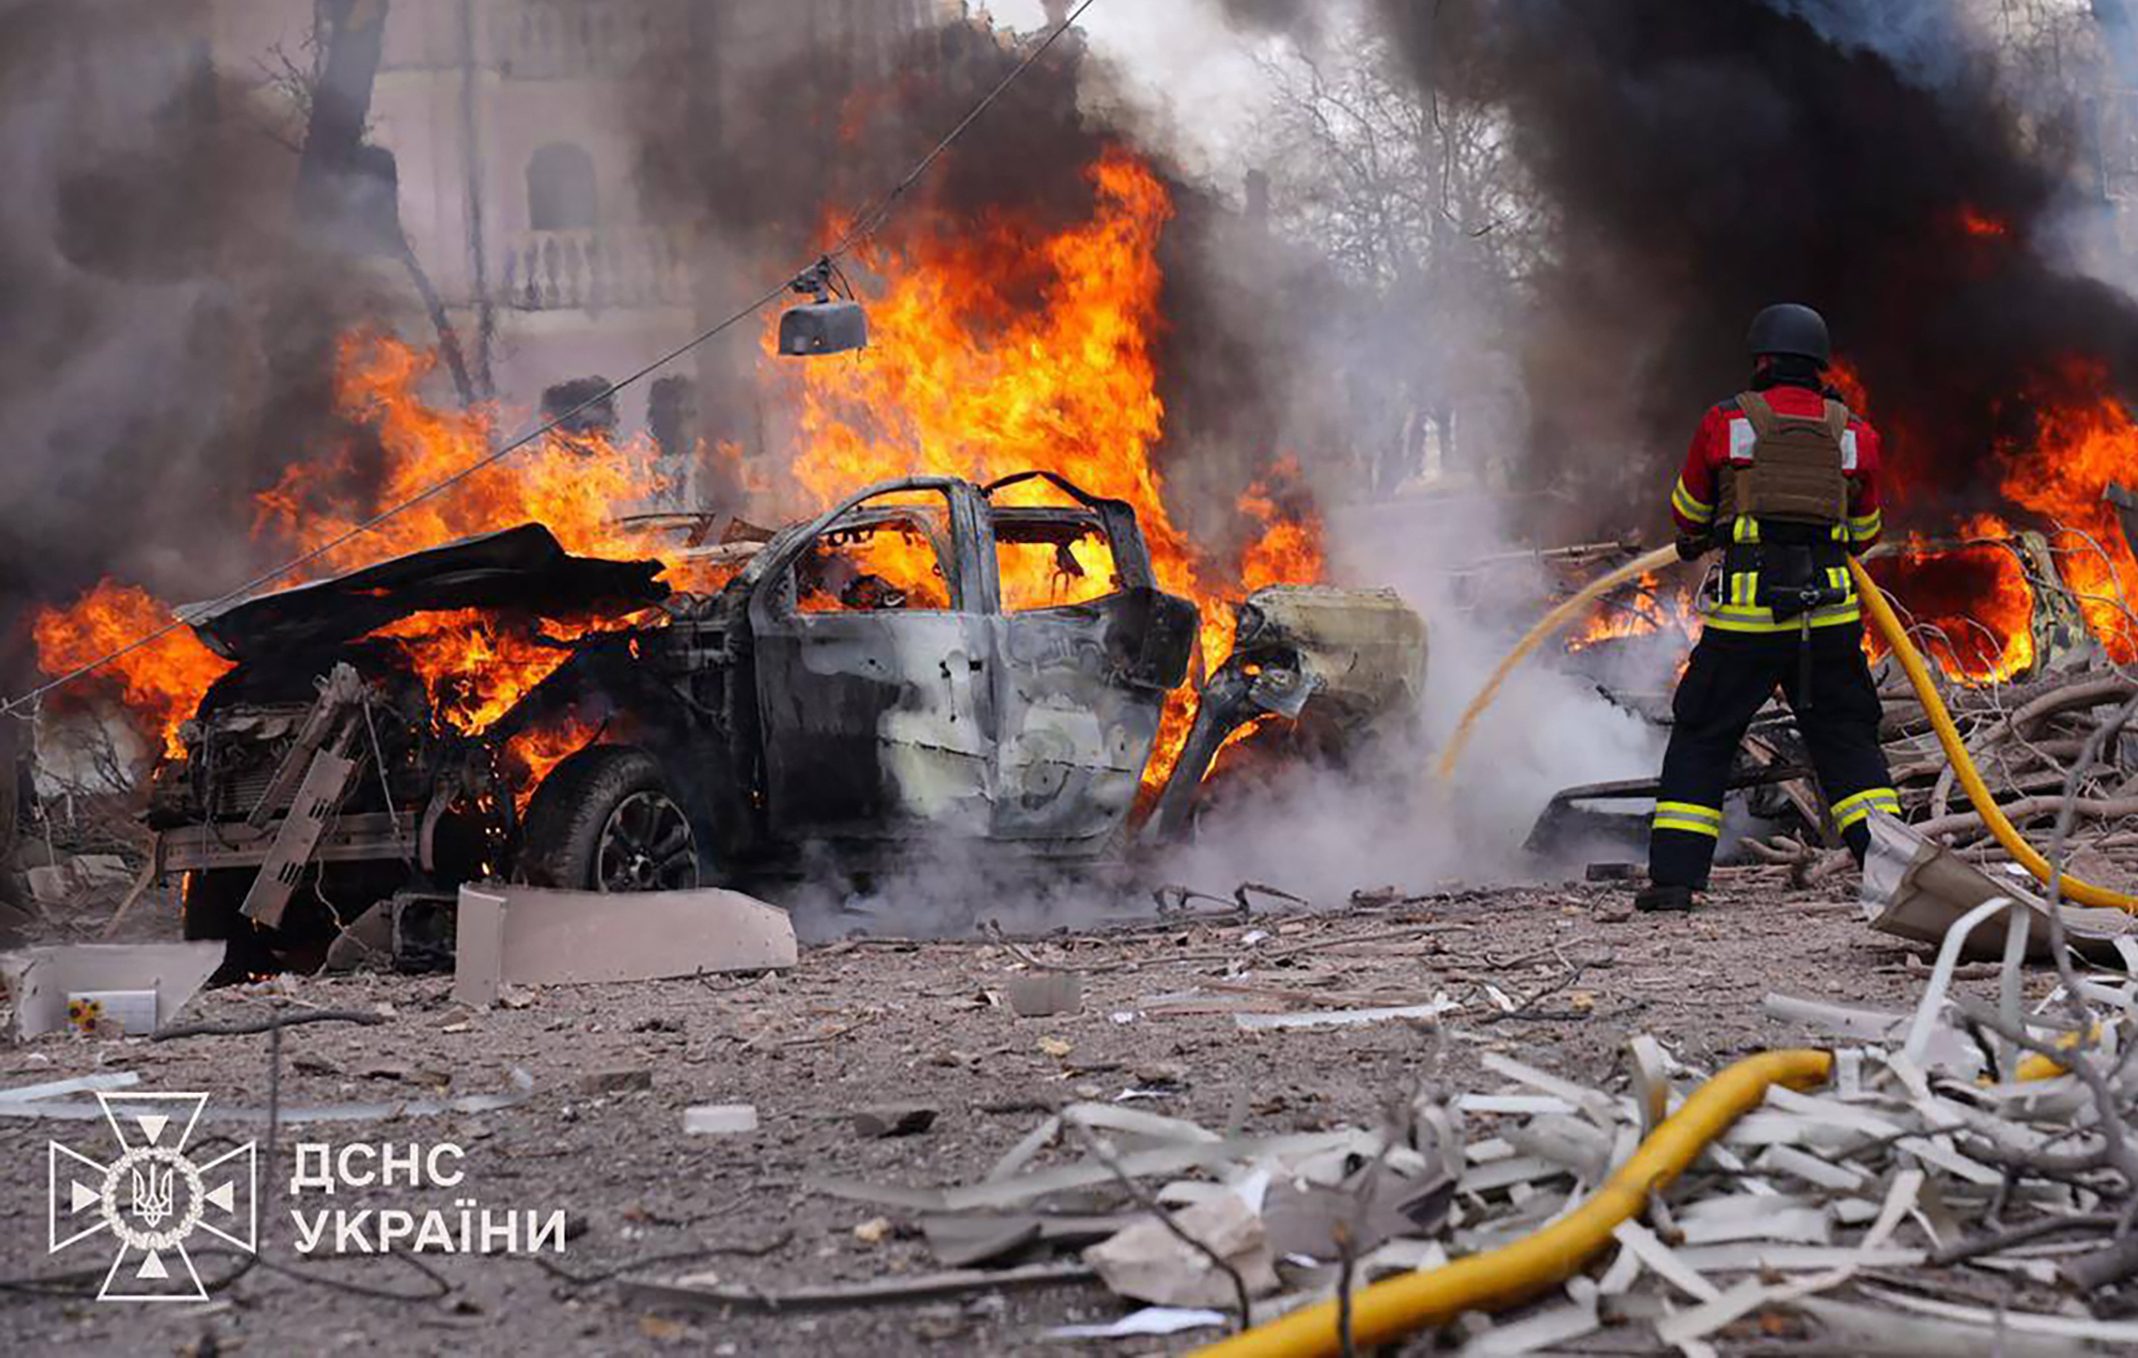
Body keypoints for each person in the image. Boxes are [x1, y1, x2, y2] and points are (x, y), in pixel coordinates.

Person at [1637, 303, 1900, 913]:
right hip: (1828, 623)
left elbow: (1689, 512)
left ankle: (1676, 881)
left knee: (1704, 736)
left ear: (1761, 360)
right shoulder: (1855, 433)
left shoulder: (1725, 422)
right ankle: (1891, 879)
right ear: (1819, 366)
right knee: (1848, 746)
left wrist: (1717, 527)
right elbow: (1865, 529)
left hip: (1746, 625)